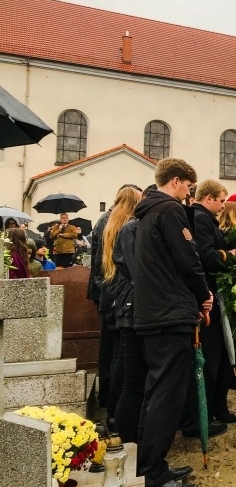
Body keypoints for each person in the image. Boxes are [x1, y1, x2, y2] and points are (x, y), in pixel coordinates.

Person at [133, 158, 210, 487]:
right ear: (177, 181)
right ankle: (151, 475)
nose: (189, 194)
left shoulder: (146, 212)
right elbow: (188, 258)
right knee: (167, 395)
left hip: (153, 312)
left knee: (156, 391)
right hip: (169, 313)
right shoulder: (169, 210)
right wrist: (203, 293)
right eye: (189, 187)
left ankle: (151, 464)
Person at [191, 180, 236, 426]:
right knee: (211, 357)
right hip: (208, 296)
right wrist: (229, 256)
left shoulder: (205, 218)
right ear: (208, 198)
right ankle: (207, 411)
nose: (223, 206)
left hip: (215, 294)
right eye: (221, 200)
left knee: (221, 357)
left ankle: (218, 407)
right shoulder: (200, 218)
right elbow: (205, 256)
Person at [100, 186, 142, 435]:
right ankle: (116, 414)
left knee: (115, 356)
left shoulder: (108, 222)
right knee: (123, 361)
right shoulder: (127, 225)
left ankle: (111, 408)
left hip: (110, 292)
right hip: (122, 295)